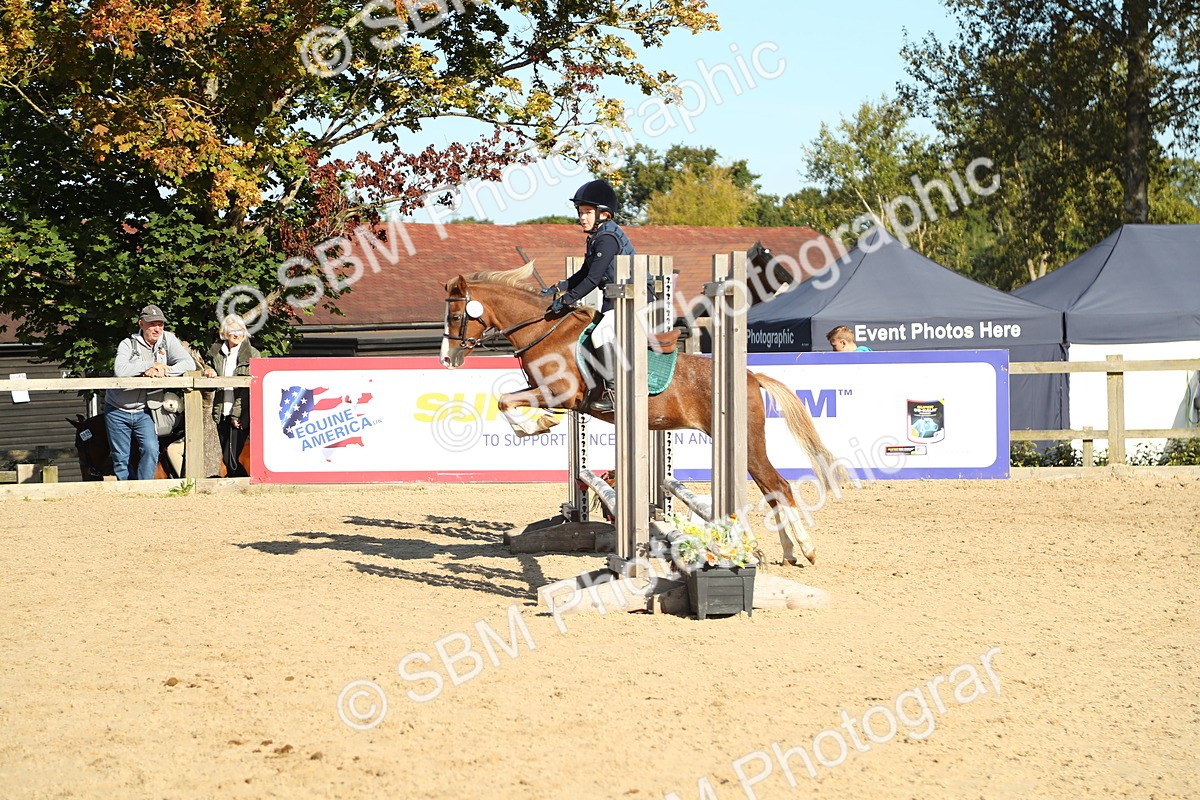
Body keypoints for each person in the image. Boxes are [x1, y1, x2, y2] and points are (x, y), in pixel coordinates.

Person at [542, 178, 640, 413]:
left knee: (601, 333)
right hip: (617, 300)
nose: (582, 217)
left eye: (587, 212)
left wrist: (566, 300)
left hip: (635, 301)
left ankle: (614, 391)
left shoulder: (607, 239)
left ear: (604, 214)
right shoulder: (599, 236)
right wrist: (558, 289)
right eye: (580, 212)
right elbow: (584, 272)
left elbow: (593, 280)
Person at [104, 305, 197, 480]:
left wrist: (164, 370)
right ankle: (126, 490)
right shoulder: (127, 343)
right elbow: (121, 370)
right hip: (117, 409)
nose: (157, 328)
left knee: (151, 449)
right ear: (141, 324)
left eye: (160, 324)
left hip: (145, 411)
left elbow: (188, 364)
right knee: (120, 457)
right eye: (152, 324)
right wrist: (149, 365)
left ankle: (145, 487)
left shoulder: (168, 339)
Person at [203, 314, 260, 478]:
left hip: (241, 411)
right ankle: (238, 484)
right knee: (227, 456)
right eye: (233, 330)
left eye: (240, 330)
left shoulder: (252, 355)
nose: (237, 334)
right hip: (221, 410)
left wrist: (238, 414)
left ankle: (245, 483)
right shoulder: (215, 352)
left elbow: (249, 390)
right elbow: (207, 365)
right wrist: (208, 370)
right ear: (225, 332)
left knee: (231, 457)